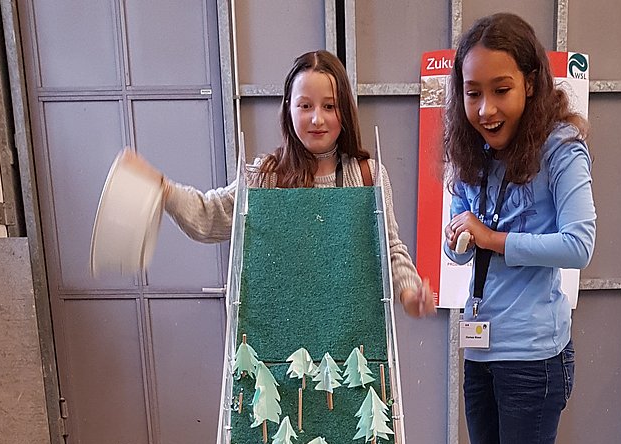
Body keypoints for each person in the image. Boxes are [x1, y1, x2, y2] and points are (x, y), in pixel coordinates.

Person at [431, 14, 596, 444]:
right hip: (482, 349)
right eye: (472, 93)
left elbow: (579, 243)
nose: (485, 108)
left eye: (500, 90)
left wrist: (492, 239)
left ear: (531, 82)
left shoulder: (560, 149)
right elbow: (464, 234)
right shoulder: (475, 152)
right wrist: (459, 236)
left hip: (534, 357)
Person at [125, 50, 434, 319]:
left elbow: (389, 247)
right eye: (305, 106)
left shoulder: (369, 176)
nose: (317, 119)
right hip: (278, 346)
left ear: (345, 110)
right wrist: (163, 188)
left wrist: (409, 294)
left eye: (329, 106)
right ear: (288, 108)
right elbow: (210, 216)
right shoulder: (266, 176)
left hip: (353, 339)